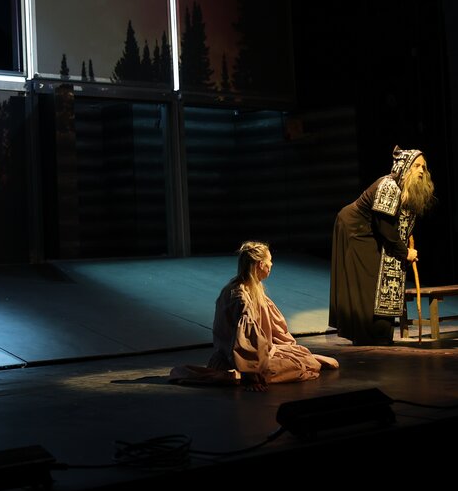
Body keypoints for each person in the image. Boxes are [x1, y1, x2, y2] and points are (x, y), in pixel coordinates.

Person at [169, 242, 339, 390]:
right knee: (298, 366)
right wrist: (251, 376)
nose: (271, 265)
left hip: (250, 354)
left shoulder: (250, 287)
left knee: (304, 357)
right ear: (260, 264)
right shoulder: (240, 296)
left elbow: (272, 328)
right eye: (269, 261)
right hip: (239, 361)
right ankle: (246, 373)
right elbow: (245, 341)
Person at [330, 146, 436, 345]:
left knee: (378, 278)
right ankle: (365, 334)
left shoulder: (406, 189)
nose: (422, 170)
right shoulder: (389, 186)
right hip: (355, 228)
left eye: (424, 167)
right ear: (405, 167)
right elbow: (385, 226)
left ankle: (379, 333)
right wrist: (405, 252)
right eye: (416, 166)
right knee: (367, 278)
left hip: (372, 229)